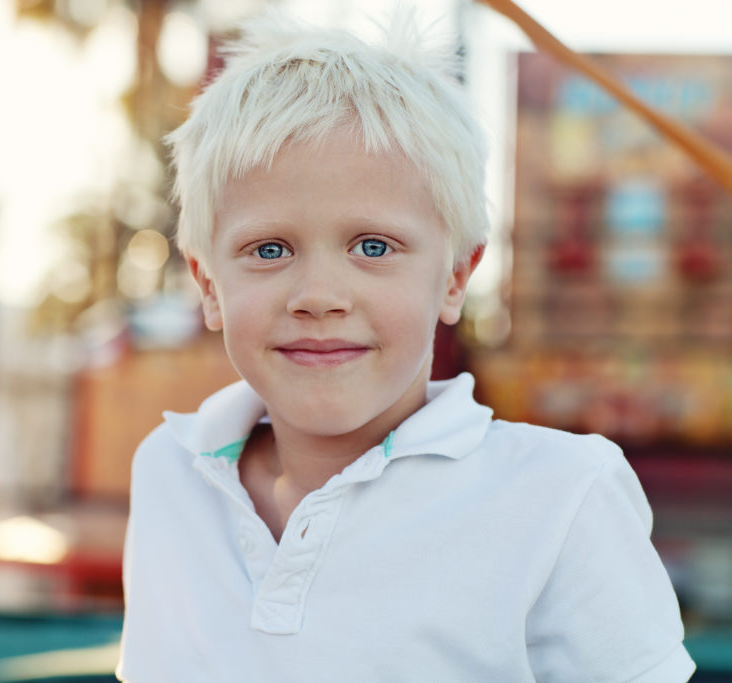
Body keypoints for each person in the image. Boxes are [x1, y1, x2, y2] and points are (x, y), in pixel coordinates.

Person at [117, 8, 694, 682]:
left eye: (373, 246)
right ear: (209, 285)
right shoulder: (170, 474)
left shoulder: (562, 498)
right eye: (269, 249)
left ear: (454, 279)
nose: (319, 294)